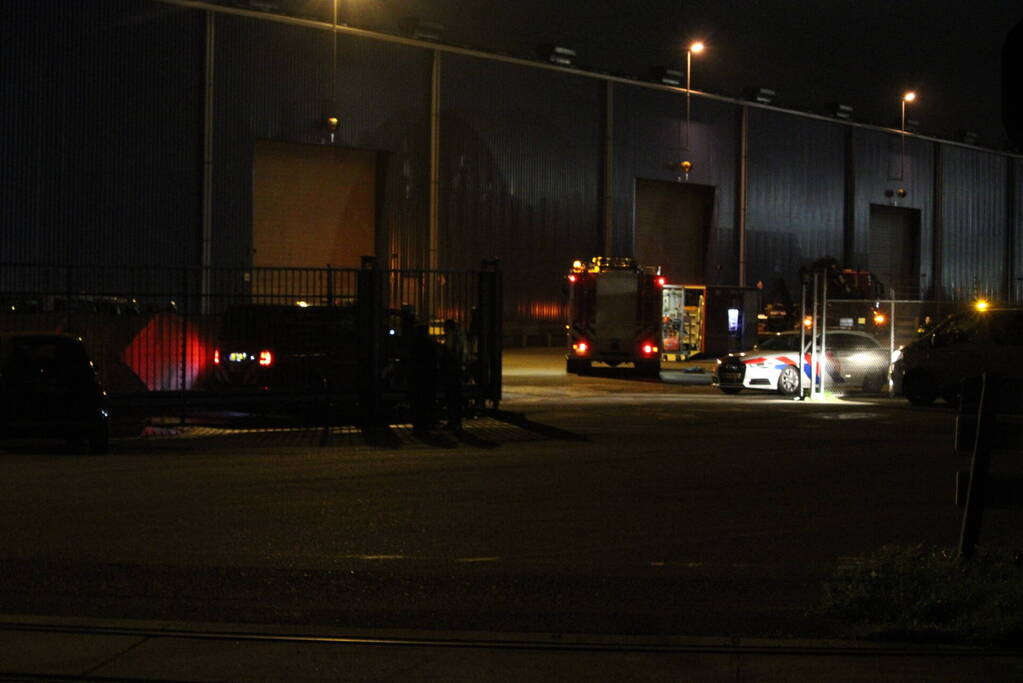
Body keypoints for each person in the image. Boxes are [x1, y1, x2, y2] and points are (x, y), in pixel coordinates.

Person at [408, 324, 438, 433]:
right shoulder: (429, 344)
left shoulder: (414, 344)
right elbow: (434, 359)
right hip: (427, 376)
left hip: (416, 376)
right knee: (426, 401)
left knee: (417, 401)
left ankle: (417, 424)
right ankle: (425, 422)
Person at [440, 319, 469, 430]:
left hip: (452, 371)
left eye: (444, 327)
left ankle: (453, 422)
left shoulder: (452, 337)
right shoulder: (461, 336)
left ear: (448, 327)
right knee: (456, 398)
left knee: (452, 398)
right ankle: (456, 422)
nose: (443, 329)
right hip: (458, 370)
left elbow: (451, 352)